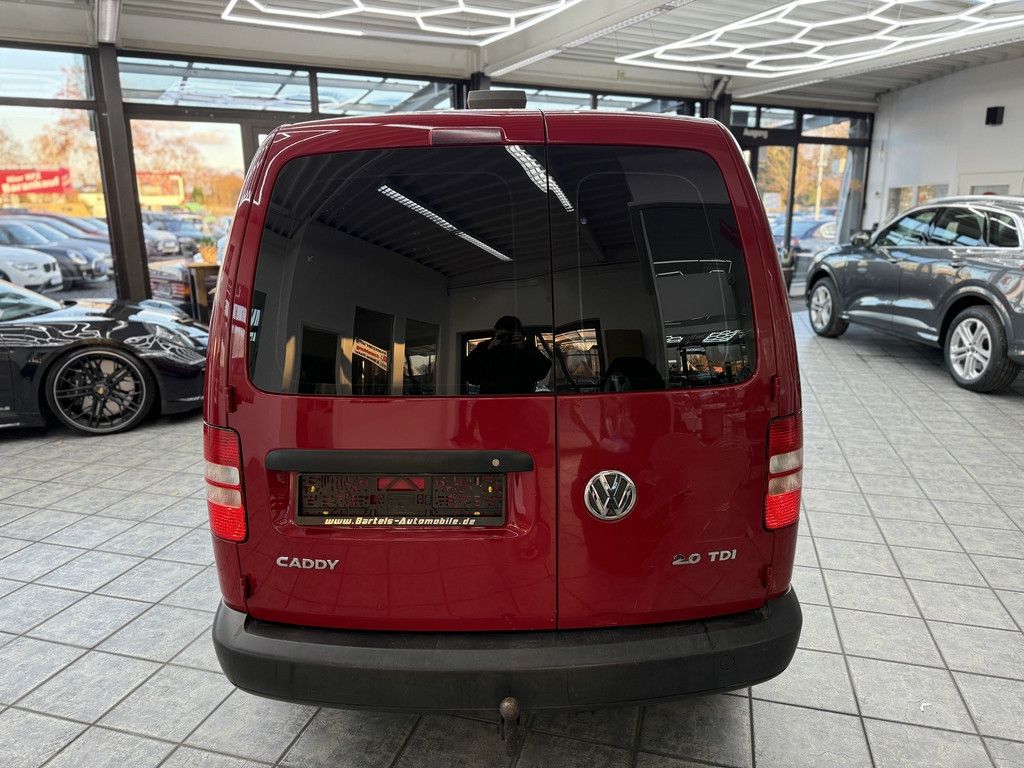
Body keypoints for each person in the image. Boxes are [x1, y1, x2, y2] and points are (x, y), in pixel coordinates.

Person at [464, 316, 552, 395]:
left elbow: (542, 370)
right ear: (496, 333)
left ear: (518, 334)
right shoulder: (487, 347)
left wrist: (524, 348)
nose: (506, 338)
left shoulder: (525, 347)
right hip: (492, 399)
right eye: (503, 335)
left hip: (519, 399)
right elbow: (469, 373)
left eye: (510, 335)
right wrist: (488, 348)